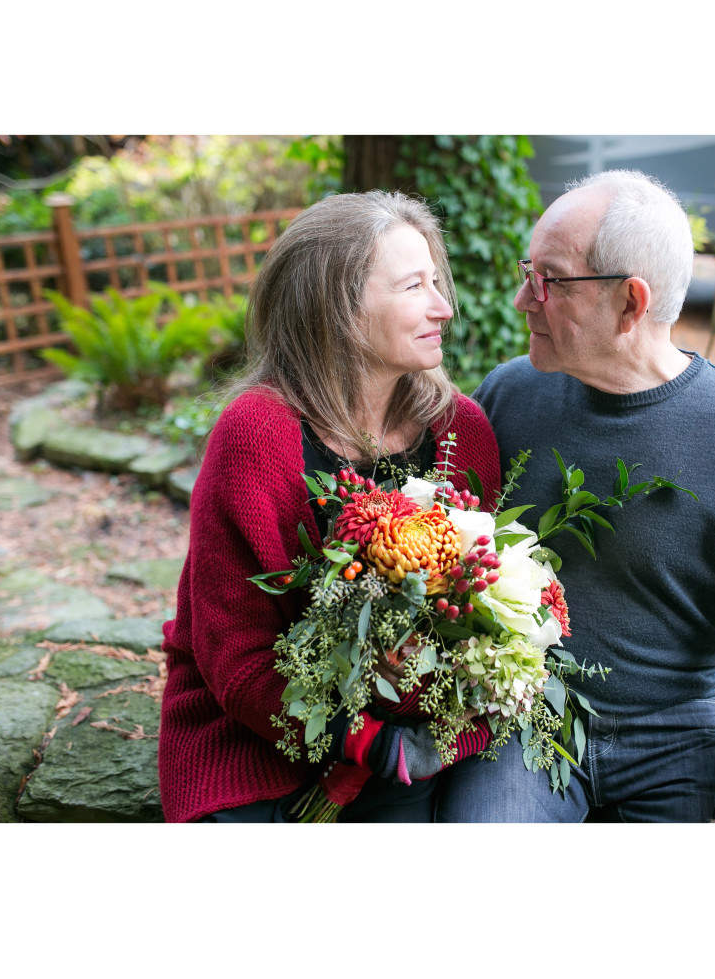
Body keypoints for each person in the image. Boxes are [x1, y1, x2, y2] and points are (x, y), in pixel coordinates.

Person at [437, 170, 715, 823]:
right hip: (527, 722)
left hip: (679, 734)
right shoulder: (508, 398)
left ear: (630, 304)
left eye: (548, 279)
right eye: (526, 272)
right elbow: (443, 551)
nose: (521, 299)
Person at [157, 191, 503, 822]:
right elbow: (233, 652)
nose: (443, 307)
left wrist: (431, 732)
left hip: (418, 740)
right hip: (258, 736)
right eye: (412, 286)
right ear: (338, 311)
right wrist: (358, 739)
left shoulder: (461, 431)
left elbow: (485, 624)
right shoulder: (257, 436)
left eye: (436, 282)